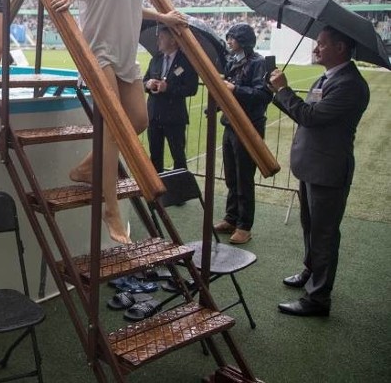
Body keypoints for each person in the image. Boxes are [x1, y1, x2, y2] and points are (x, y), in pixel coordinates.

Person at [49, 0, 186, 244]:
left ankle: (85, 168)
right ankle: (110, 208)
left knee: (138, 121)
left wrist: (164, 17)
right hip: (99, 50)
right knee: (114, 126)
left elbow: (133, 5)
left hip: (126, 53)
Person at [268, 27, 370, 317]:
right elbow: (303, 112)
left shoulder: (350, 84)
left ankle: (318, 299)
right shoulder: (326, 78)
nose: (316, 49)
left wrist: (284, 90)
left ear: (340, 47)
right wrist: (276, 90)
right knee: (310, 228)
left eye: (322, 45)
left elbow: (310, 117)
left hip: (328, 170)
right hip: (312, 166)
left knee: (324, 235)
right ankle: (310, 272)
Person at [213, 23, 272, 245]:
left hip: (249, 127)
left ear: (244, 40)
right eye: (228, 37)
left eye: (233, 38)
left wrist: (235, 89)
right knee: (231, 175)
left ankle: (245, 226)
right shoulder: (232, 62)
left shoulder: (259, 64)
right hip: (230, 124)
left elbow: (263, 95)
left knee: (244, 177)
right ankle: (231, 218)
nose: (228, 41)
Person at [143, 25, 199, 172]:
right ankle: (157, 192)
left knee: (178, 158)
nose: (158, 41)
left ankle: (180, 192)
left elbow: (192, 89)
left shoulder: (186, 61)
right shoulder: (156, 58)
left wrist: (168, 88)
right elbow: (144, 81)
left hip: (174, 118)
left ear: (173, 40)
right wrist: (148, 84)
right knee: (155, 157)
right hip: (154, 116)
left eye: (161, 37)